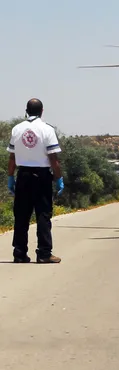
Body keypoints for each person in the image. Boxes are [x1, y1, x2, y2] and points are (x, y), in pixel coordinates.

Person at [6, 98, 63, 263]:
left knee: (21, 215)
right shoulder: (47, 129)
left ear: (26, 111)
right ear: (42, 111)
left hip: (23, 175)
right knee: (43, 215)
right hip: (42, 177)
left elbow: (12, 157)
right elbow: (53, 159)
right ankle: (44, 254)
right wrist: (58, 178)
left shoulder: (17, 129)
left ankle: (19, 253)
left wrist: (11, 177)